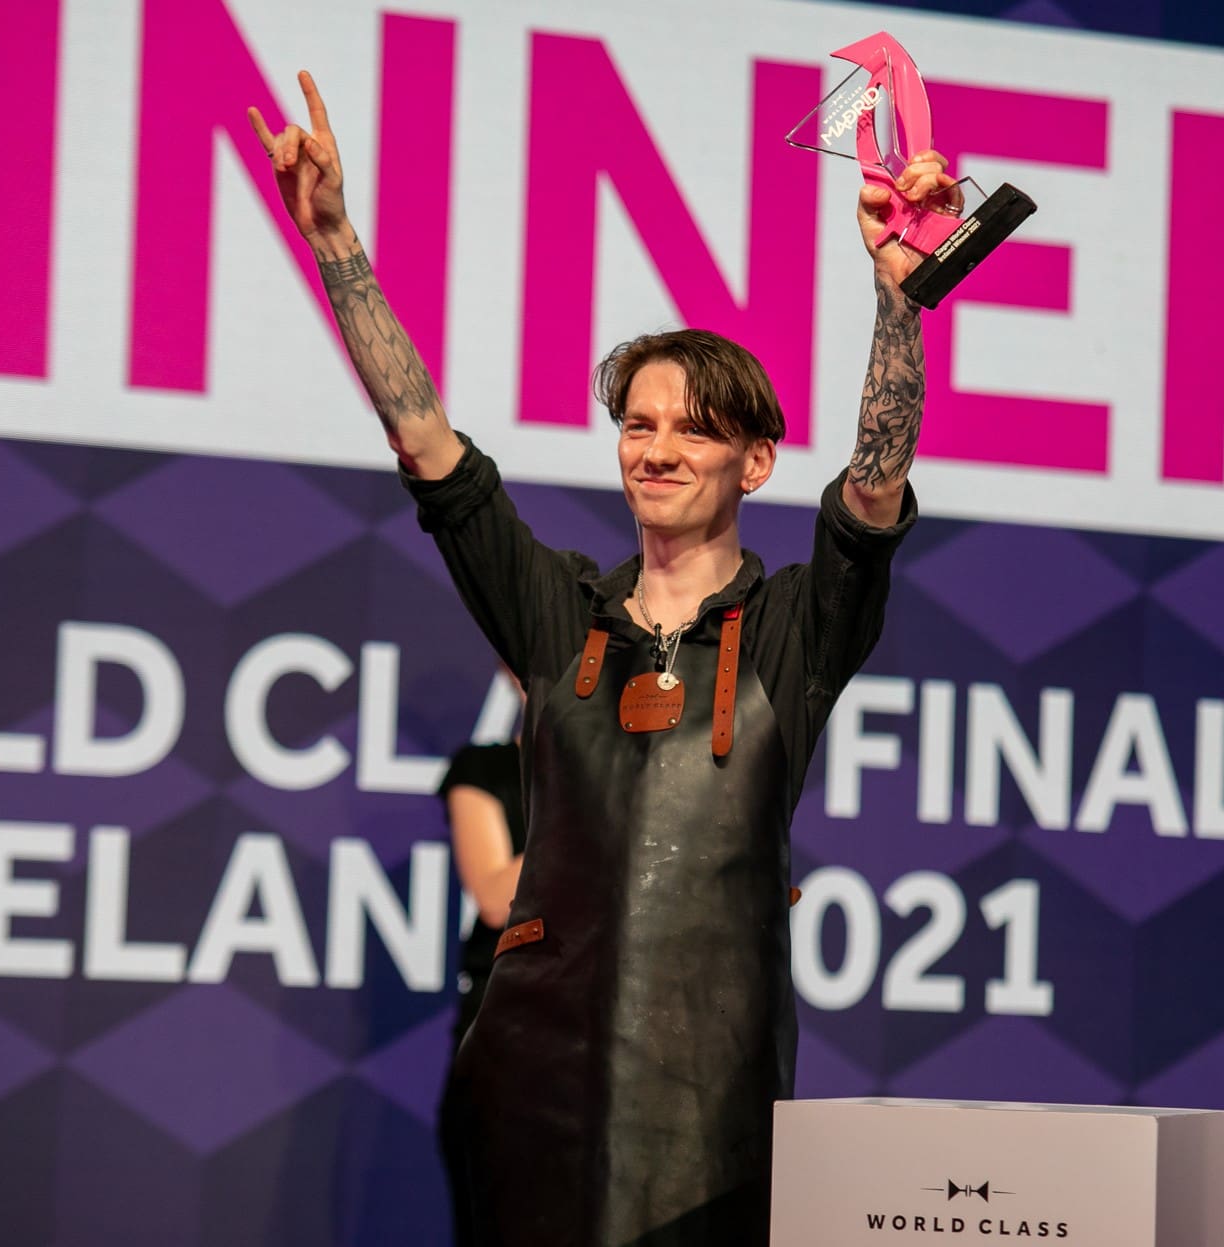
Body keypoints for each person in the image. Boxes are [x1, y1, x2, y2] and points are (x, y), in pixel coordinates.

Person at [250, 69, 958, 1247]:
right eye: (637, 423)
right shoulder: (557, 613)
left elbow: (873, 491)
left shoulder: (793, 625)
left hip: (709, 1097)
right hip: (527, 1086)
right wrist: (335, 245)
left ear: (756, 461)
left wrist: (898, 300)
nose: (656, 449)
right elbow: (427, 446)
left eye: (693, 428)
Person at [438, 688, 525, 1247]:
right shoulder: (484, 768)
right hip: (507, 1024)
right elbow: (496, 898)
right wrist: (593, 800)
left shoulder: (648, 776)